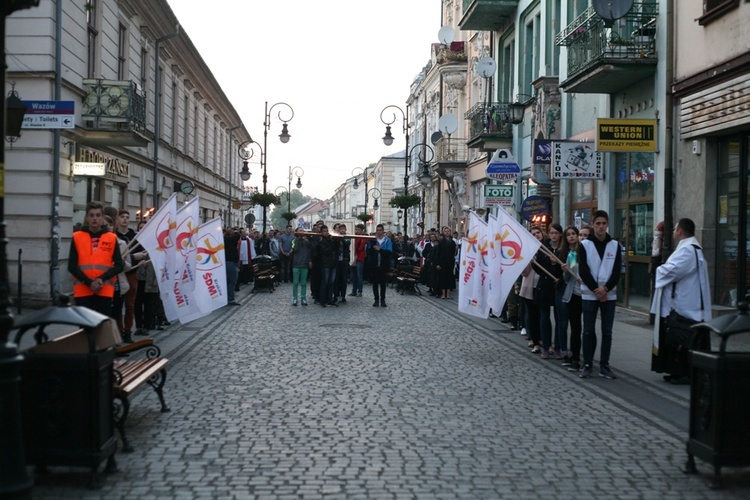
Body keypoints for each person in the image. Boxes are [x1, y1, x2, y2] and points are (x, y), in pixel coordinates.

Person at [650, 218, 712, 385]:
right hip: (685, 302)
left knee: (682, 339)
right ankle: (676, 371)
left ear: (680, 231)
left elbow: (674, 270)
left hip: (685, 305)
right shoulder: (690, 248)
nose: (673, 232)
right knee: (678, 339)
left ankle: (684, 372)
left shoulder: (688, 251)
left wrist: (658, 268)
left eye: (675, 229)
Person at [578, 210, 622, 379]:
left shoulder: (615, 245)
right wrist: (597, 289)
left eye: (604, 223)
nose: (601, 227)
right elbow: (583, 270)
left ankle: (605, 365)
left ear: (608, 224)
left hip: (609, 296)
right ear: (593, 225)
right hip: (590, 295)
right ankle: (587, 364)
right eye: (598, 223)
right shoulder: (585, 245)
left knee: (607, 332)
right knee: (588, 330)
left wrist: (606, 289)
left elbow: (617, 271)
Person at [68, 201, 124, 317]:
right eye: (92, 215)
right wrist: (89, 282)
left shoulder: (111, 238)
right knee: (85, 328)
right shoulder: (77, 237)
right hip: (83, 291)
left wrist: (101, 279)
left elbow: (119, 265)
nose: (95, 218)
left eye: (98, 215)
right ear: (87, 218)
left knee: (102, 328)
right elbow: (71, 266)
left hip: (104, 290)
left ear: (103, 218)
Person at [561, 226, 583, 370]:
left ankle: (580, 357)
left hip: (585, 294)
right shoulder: (570, 255)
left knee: (582, 328)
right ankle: (573, 355)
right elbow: (568, 277)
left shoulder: (582, 253)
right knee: (574, 327)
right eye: (568, 235)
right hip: (573, 294)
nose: (571, 237)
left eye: (574, 234)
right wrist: (565, 271)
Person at [365, 223, 393, 307]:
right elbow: (368, 251)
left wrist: (380, 249)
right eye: (377, 230)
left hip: (383, 265)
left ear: (383, 231)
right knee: (375, 283)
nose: (379, 232)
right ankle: (376, 299)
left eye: (380, 230)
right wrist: (373, 249)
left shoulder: (387, 240)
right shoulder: (373, 240)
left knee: (383, 283)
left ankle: (383, 299)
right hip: (374, 265)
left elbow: (389, 253)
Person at [315, 225, 340, 307]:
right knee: (325, 282)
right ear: (322, 232)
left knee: (331, 283)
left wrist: (336, 241)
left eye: (327, 231)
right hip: (325, 264)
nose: (326, 232)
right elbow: (326, 251)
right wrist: (332, 243)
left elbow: (337, 249)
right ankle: (323, 300)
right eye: (324, 231)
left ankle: (329, 299)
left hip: (333, 263)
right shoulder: (321, 242)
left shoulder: (331, 239)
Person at [290, 230, 312, 306]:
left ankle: (303, 298)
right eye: (299, 231)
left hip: (304, 264)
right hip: (296, 265)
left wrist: (309, 261)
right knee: (295, 283)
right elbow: (294, 249)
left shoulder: (306, 242)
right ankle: (295, 298)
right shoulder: (293, 241)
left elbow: (309, 251)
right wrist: (297, 239)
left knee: (303, 283)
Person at [437, 226, 457, 299]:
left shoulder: (453, 242)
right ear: (443, 232)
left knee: (449, 277)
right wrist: (438, 263)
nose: (447, 232)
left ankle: (448, 293)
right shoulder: (441, 242)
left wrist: (456, 249)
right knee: (443, 278)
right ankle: (443, 293)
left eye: (448, 231)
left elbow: (455, 253)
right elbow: (438, 253)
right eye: (445, 231)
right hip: (442, 262)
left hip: (450, 262)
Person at [224, 227, 241, 305]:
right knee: (232, 281)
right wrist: (236, 231)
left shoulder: (224, 240)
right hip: (231, 263)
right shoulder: (231, 240)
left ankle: (227, 298)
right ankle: (230, 299)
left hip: (226, 262)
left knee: (227, 282)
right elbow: (238, 235)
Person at [334, 225, 351, 303]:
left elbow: (347, 243)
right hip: (337, 260)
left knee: (344, 279)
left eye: (343, 229)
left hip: (344, 260)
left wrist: (342, 237)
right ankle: (336, 295)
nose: (342, 230)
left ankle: (343, 296)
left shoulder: (347, 237)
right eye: (341, 229)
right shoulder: (335, 237)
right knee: (336, 279)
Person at [349, 224, 366, 297]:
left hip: (359, 258)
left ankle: (360, 291)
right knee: (354, 275)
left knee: (359, 275)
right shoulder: (356, 237)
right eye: (356, 229)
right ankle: (354, 291)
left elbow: (359, 249)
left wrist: (355, 260)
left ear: (362, 230)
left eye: (358, 229)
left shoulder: (363, 237)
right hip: (354, 257)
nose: (357, 231)